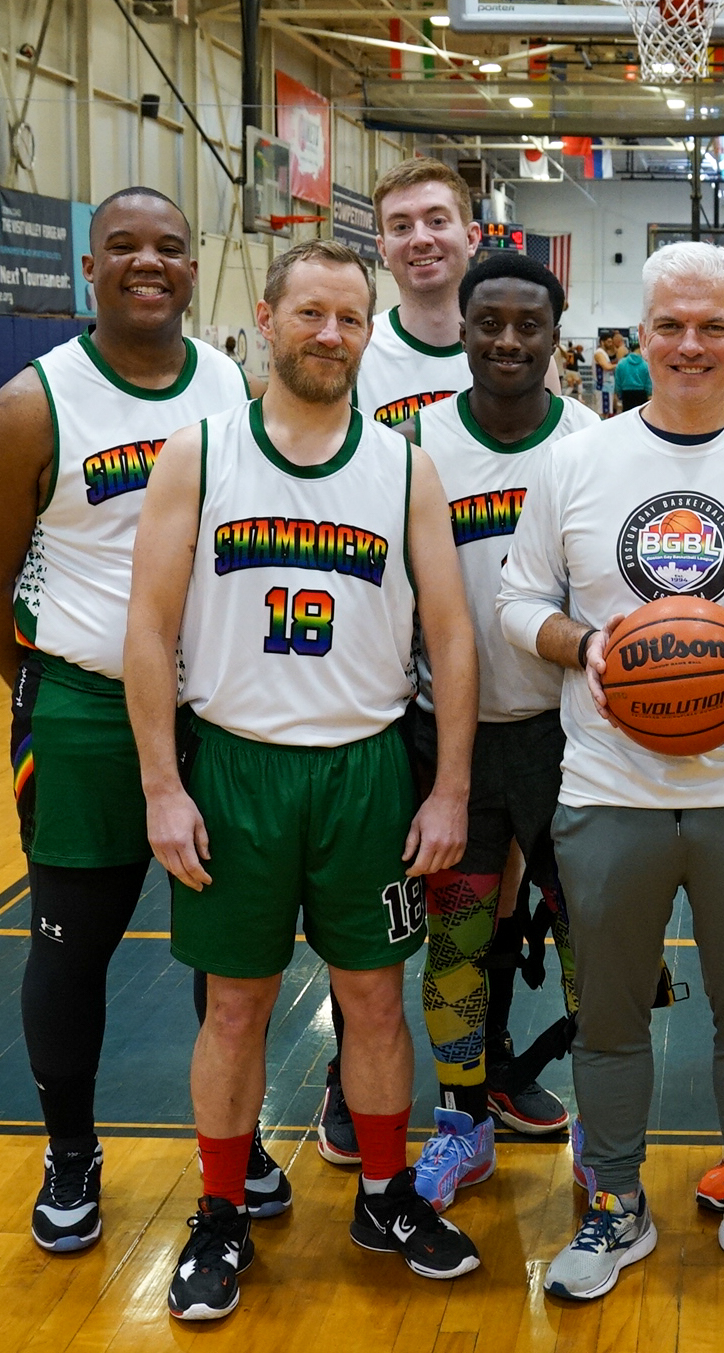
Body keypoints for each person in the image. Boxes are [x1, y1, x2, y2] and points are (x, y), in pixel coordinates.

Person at [126, 239, 483, 1319]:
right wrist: (160, 787)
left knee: (373, 1000)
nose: (331, 335)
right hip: (233, 767)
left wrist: (449, 788)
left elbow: (453, 637)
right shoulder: (199, 452)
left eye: (350, 319)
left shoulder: (403, 464)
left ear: (367, 334)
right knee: (233, 1009)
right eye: (311, 314)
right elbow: (145, 628)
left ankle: (383, 1194)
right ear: (266, 315)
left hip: (366, 769)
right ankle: (222, 1213)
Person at [497, 240, 724, 1301]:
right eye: (669, 327)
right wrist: (583, 648)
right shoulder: (575, 460)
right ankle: (612, 1206)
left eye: (711, 328)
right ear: (636, 339)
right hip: (608, 788)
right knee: (609, 1019)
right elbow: (518, 601)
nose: (690, 345)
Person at [0, 187, 276, 1257]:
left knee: (222, 947)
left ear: (193, 270)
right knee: (71, 942)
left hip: (210, 704)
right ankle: (70, 1149)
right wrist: (47, 684)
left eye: (170, 249)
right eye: (125, 247)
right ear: (88, 269)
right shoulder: (32, 404)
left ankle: (232, 1143)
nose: (150, 263)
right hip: (84, 707)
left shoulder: (228, 383)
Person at [390, 250, 596, 1210]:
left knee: (594, 941)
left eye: (529, 324)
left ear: (558, 335)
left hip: (575, 738)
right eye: (489, 323)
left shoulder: (597, 444)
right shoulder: (410, 447)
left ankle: (606, 1129)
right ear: (461, 330)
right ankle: (463, 1123)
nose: (509, 340)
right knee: (457, 941)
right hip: (450, 742)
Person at [355, 158, 479, 427]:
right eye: (401, 227)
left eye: (436, 221)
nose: (421, 239)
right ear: (383, 249)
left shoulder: (518, 354)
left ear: (471, 238)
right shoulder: (355, 351)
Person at [612, 341, 652, 412]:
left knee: (627, 415)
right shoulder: (645, 364)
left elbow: (618, 380)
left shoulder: (621, 363)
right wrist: (649, 393)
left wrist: (618, 393)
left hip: (626, 393)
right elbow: (648, 382)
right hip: (641, 393)